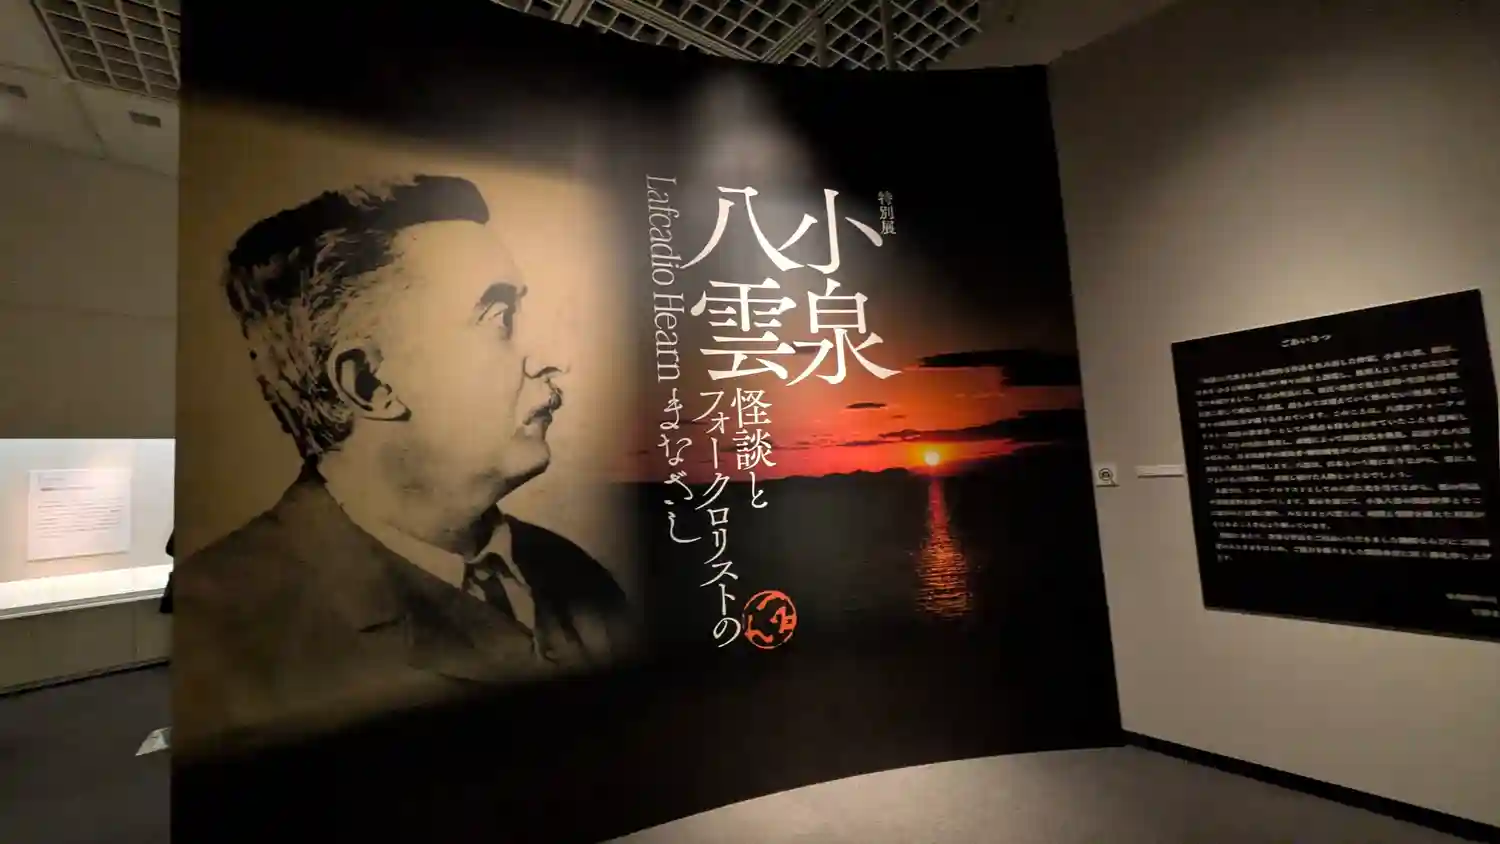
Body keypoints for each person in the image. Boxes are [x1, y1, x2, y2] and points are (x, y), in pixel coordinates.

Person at [173, 175, 631, 749]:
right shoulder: (221, 627)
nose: (553, 359)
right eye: (499, 317)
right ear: (369, 382)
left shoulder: (575, 576)